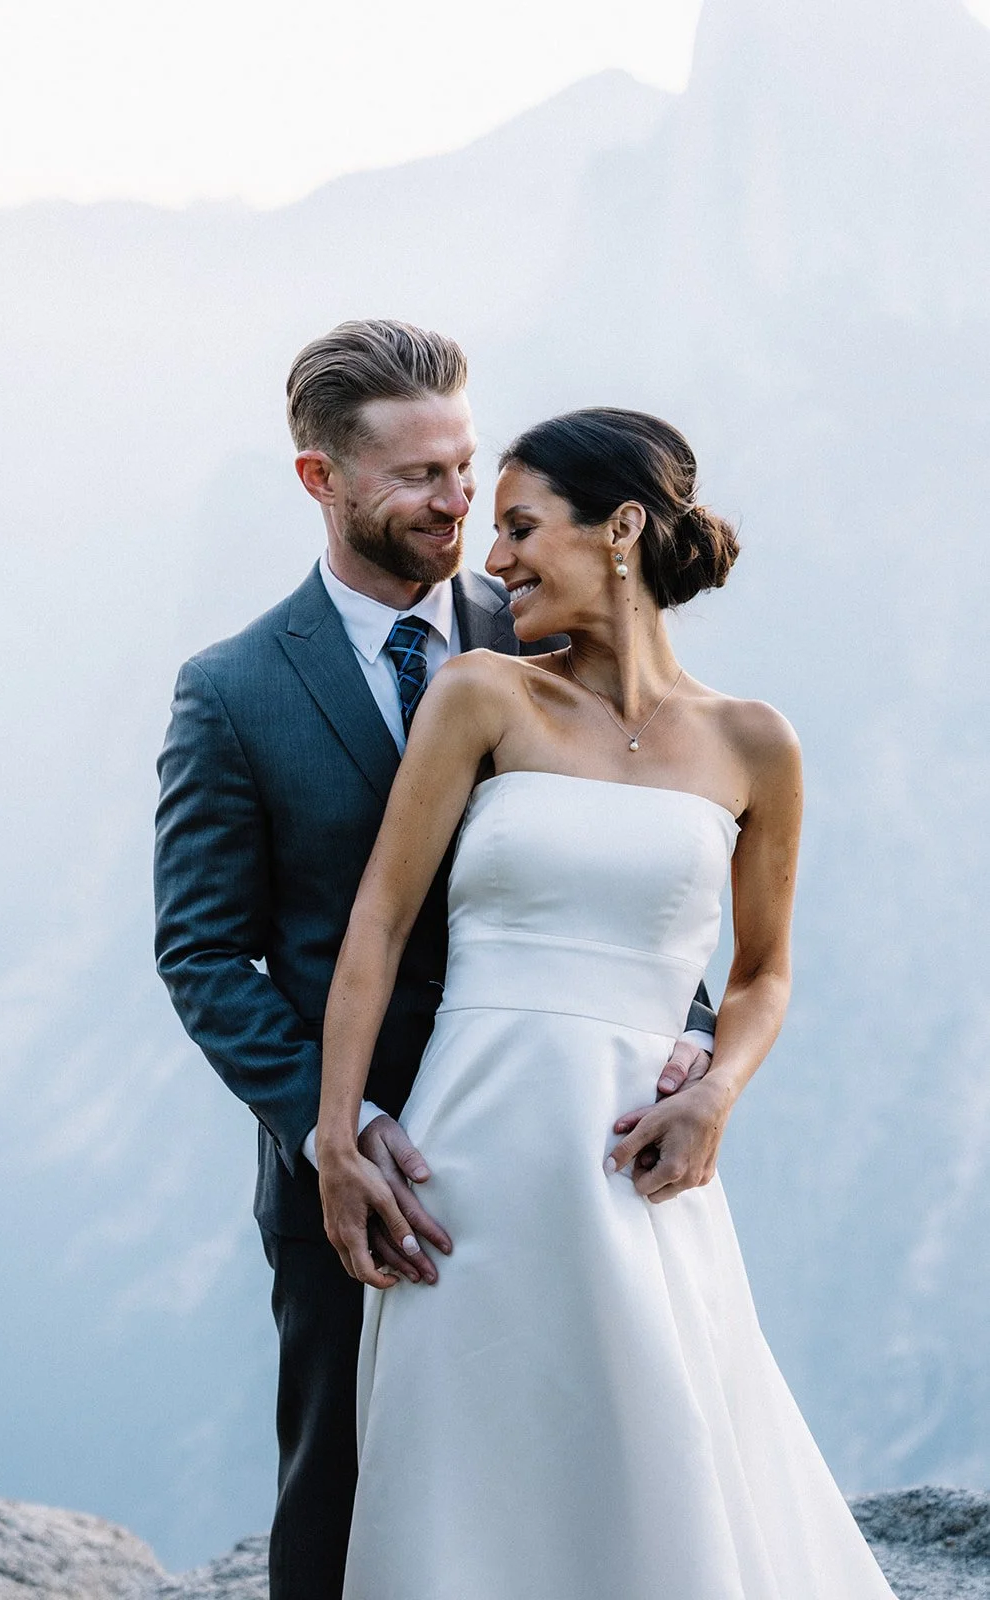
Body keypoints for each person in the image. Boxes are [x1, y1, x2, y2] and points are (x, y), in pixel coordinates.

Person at [152, 325, 716, 1600]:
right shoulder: (232, 691)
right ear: (321, 480)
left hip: (569, 1150)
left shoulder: (548, 632)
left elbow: (644, 847)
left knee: (587, 1479)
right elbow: (201, 950)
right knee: (346, 1502)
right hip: (362, 1184)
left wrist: (686, 1037)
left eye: (465, 465)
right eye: (418, 476)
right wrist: (332, 1126)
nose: (459, 503)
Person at [316, 408, 898, 1599]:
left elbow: (759, 973)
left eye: (521, 527)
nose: (494, 559)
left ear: (620, 527)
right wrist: (336, 1137)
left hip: (634, 1166)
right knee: (463, 1500)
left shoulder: (754, 743)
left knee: (658, 1479)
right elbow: (374, 925)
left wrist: (717, 1093)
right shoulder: (482, 696)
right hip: (463, 1169)